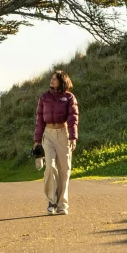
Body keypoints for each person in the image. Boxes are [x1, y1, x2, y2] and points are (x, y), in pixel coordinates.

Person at [34, 69, 78, 215]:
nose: (51, 80)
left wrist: (73, 137)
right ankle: (51, 201)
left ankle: (62, 204)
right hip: (48, 134)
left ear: (62, 81)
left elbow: (73, 119)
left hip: (63, 134)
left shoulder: (69, 97)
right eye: (51, 78)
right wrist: (37, 140)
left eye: (55, 78)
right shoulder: (44, 97)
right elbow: (39, 120)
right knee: (50, 167)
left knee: (64, 170)